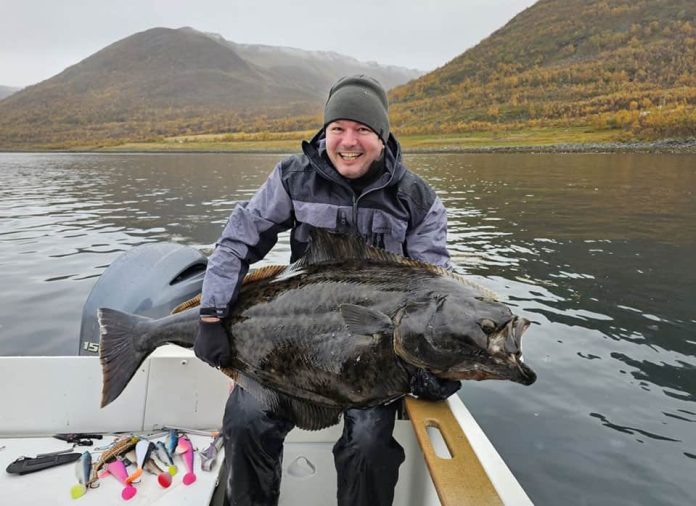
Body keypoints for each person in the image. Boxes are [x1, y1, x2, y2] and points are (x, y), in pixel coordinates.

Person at [194, 74, 461, 506]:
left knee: (371, 443)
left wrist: (439, 362)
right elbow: (237, 240)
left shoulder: (417, 199)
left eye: (362, 130)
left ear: (383, 136)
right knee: (245, 421)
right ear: (325, 132)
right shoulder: (292, 177)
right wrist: (211, 315)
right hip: (294, 347)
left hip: (374, 359)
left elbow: (435, 289)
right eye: (338, 128)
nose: (348, 141)